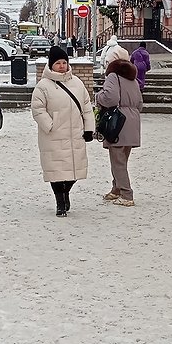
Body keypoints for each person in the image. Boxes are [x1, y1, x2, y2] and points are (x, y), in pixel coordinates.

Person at [31, 46, 92, 217]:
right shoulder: (43, 86)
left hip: (74, 135)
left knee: (74, 170)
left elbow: (86, 107)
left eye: (64, 62)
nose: (62, 66)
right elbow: (37, 109)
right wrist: (50, 125)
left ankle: (66, 192)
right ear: (51, 65)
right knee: (56, 171)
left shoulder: (77, 83)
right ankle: (60, 202)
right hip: (54, 136)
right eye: (58, 63)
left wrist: (89, 129)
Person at [95, 54, 142, 206]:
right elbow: (140, 103)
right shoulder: (132, 79)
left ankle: (127, 194)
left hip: (118, 122)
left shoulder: (113, 76)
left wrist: (98, 96)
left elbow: (111, 98)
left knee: (118, 161)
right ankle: (116, 189)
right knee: (122, 160)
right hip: (132, 121)